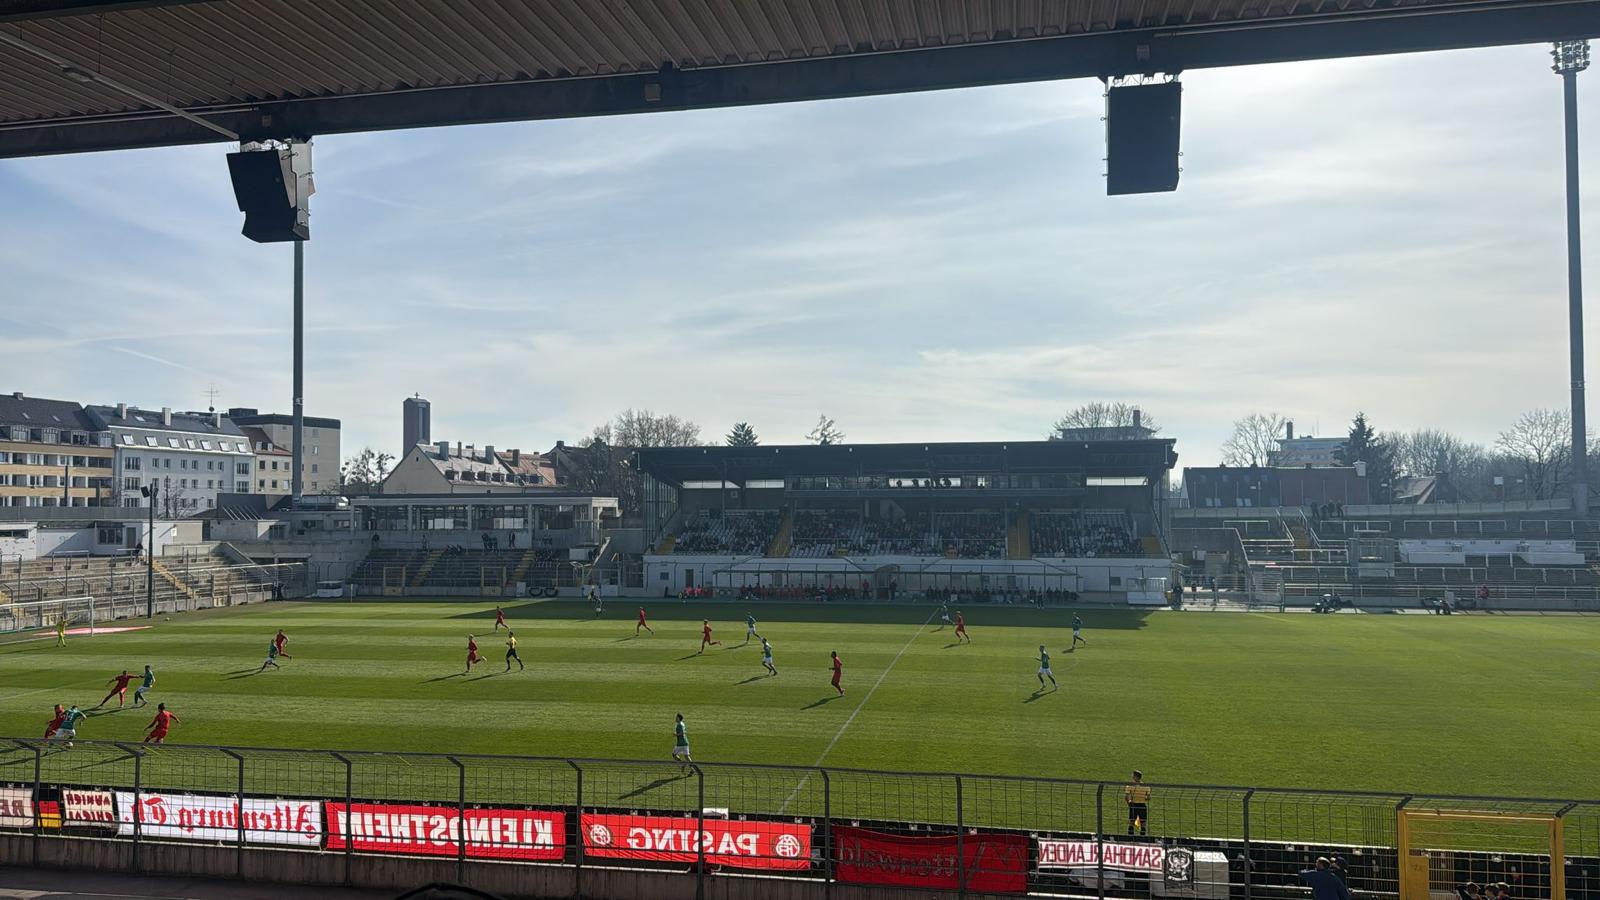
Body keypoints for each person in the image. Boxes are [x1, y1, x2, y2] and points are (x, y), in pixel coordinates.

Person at [1124, 770, 1151, 835]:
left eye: (1133, 775)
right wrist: (1144, 798)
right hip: (1142, 805)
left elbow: (1126, 797)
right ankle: (1142, 838)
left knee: (1131, 822)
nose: (1132, 776)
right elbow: (1148, 798)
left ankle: (1130, 837)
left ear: (1135, 777)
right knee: (1143, 823)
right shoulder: (1146, 787)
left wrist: (1129, 804)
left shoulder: (1129, 786)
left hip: (1133, 805)